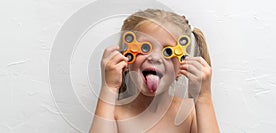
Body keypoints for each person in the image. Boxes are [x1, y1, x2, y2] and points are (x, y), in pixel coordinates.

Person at [90, 9, 220, 133]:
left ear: (182, 66)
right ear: (127, 59)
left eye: (168, 51)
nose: (155, 58)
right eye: (145, 48)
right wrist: (109, 87)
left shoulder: (190, 112)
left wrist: (203, 97)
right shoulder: (114, 113)